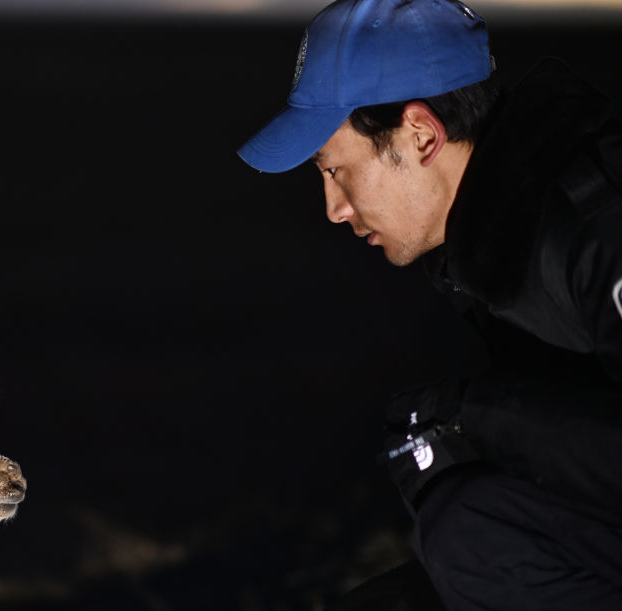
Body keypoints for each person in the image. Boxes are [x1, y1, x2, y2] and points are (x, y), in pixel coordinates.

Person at [237, 0, 622, 609]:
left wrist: (476, 418)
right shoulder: (500, 234)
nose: (334, 208)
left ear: (420, 135)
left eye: (335, 170)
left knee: (468, 532)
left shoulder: (597, 224)